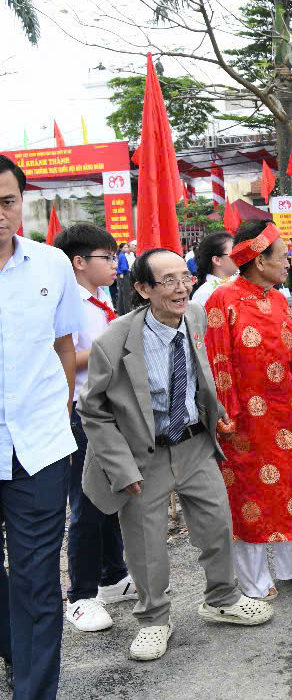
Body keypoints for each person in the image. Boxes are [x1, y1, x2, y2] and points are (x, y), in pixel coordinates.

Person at [80, 247, 274, 664]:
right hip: (142, 457)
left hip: (194, 444)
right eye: (167, 281)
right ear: (143, 289)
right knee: (146, 546)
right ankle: (153, 620)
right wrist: (120, 467)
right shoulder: (113, 342)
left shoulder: (195, 318)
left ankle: (222, 598)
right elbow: (92, 411)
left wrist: (214, 410)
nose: (181, 287)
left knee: (217, 524)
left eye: (183, 277)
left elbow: (196, 375)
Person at [204, 221, 292, 602]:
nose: (288, 263)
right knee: (250, 495)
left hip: (288, 411)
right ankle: (254, 581)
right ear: (260, 261)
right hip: (244, 418)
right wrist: (224, 414)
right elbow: (217, 360)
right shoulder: (222, 300)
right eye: (282, 257)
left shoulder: (280, 299)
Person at [0, 155, 81, 700]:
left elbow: (64, 347)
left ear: (21, 201)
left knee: (36, 588)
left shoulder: (52, 265)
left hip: (39, 449)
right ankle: (12, 645)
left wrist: (63, 407)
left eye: (6, 202)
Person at [53, 224, 134, 635]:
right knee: (84, 504)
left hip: (111, 411)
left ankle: (113, 577)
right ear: (79, 263)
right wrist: (110, 348)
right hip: (82, 413)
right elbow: (62, 357)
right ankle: (81, 596)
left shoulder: (103, 298)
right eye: (108, 257)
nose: (116, 265)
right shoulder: (68, 304)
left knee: (112, 495)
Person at [190, 230, 236, 308]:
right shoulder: (204, 294)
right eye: (234, 253)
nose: (239, 256)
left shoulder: (237, 281)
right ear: (217, 260)